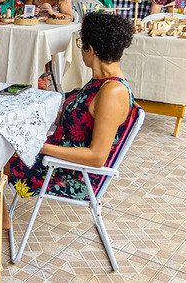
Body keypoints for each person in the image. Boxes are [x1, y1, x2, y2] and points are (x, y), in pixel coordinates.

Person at [8, 12, 137, 202]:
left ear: (91, 50)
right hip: (60, 159)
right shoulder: (99, 82)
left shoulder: (112, 92)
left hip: (72, 174)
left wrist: (41, 147)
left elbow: (96, 157)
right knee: (0, 144)